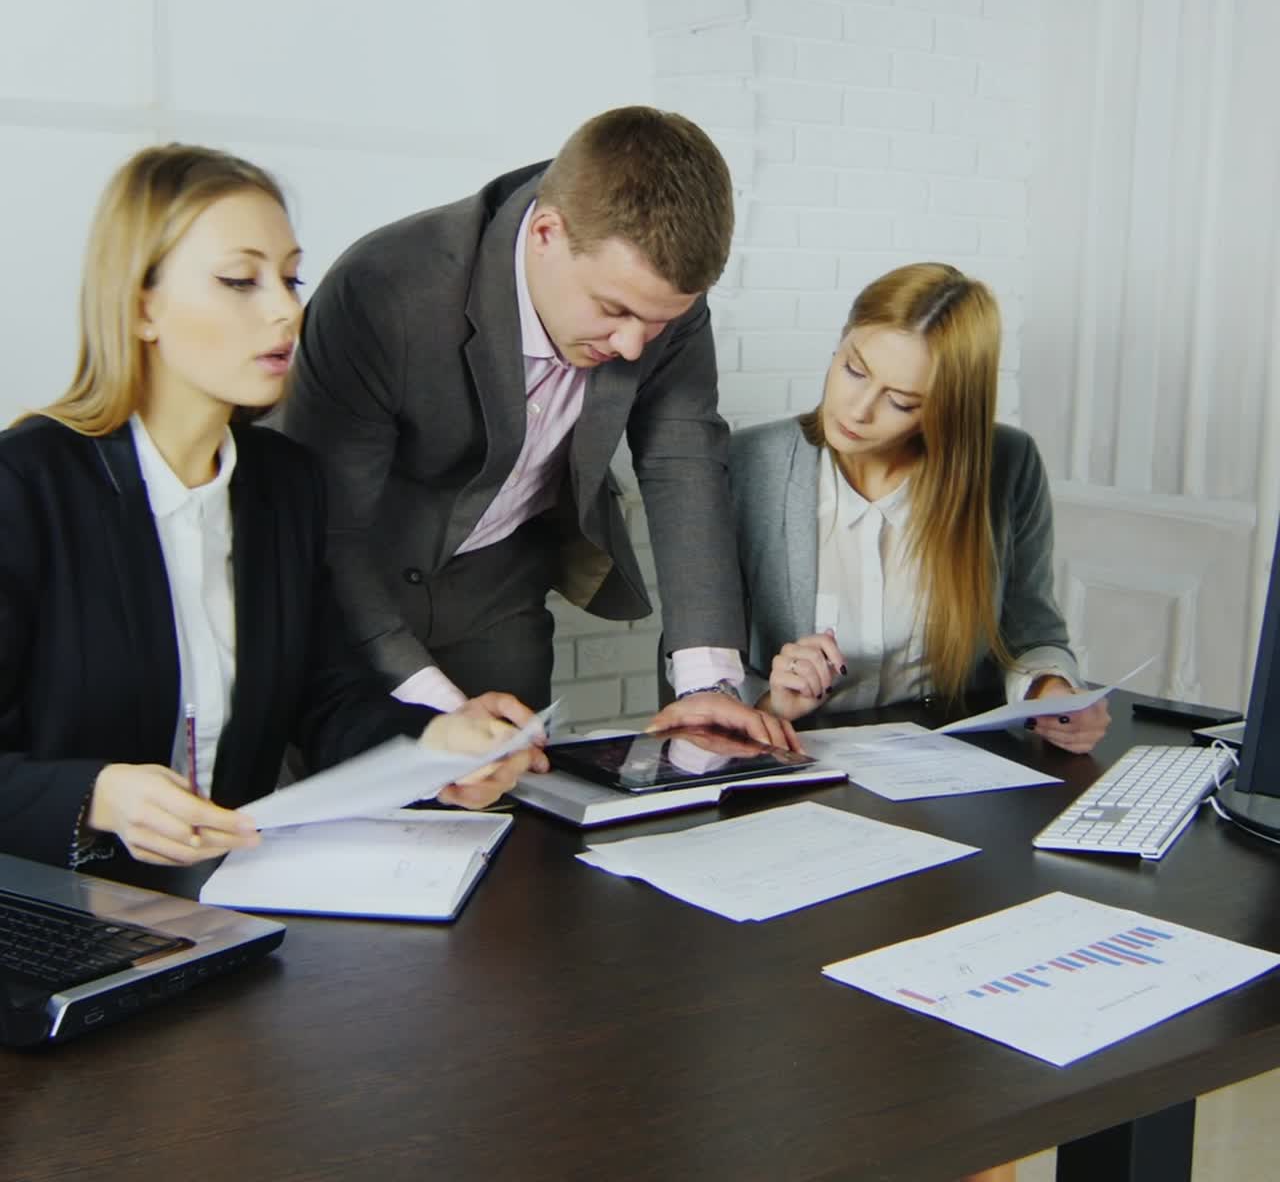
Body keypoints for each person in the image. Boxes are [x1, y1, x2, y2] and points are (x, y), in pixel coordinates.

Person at [0, 145, 543, 872]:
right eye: (239, 280)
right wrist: (96, 796)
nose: (287, 309)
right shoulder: (25, 486)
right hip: (55, 920)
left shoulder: (283, 484)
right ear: (140, 306)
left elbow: (324, 698)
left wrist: (430, 747)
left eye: (290, 278)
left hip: (230, 905)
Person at [280, 105, 796, 750]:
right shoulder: (387, 288)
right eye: (613, 310)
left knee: (512, 811)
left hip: (499, 597)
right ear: (546, 233)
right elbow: (331, 525)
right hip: (352, 594)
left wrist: (707, 684)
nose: (635, 346)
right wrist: (434, 711)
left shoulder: (661, 296)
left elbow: (682, 463)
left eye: (659, 323)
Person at [731, 262, 1110, 755]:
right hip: (795, 764)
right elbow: (697, 658)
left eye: (903, 402)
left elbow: (1030, 631)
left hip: (953, 764)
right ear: (840, 342)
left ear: (947, 410)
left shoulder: (1007, 466)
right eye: (853, 369)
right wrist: (770, 699)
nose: (858, 409)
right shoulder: (746, 466)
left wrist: (1050, 692)